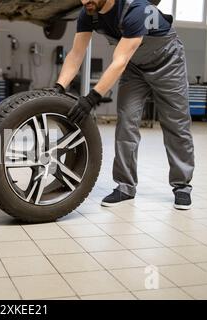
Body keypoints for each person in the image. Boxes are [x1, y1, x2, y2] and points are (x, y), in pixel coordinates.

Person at [48, 0, 195, 210]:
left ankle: (182, 186)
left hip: (167, 63)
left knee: (176, 125)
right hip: (135, 67)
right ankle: (125, 186)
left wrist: (92, 98)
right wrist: (59, 87)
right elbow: (76, 53)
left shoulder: (136, 10)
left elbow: (119, 61)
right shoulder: (89, 12)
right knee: (126, 123)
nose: (84, 1)